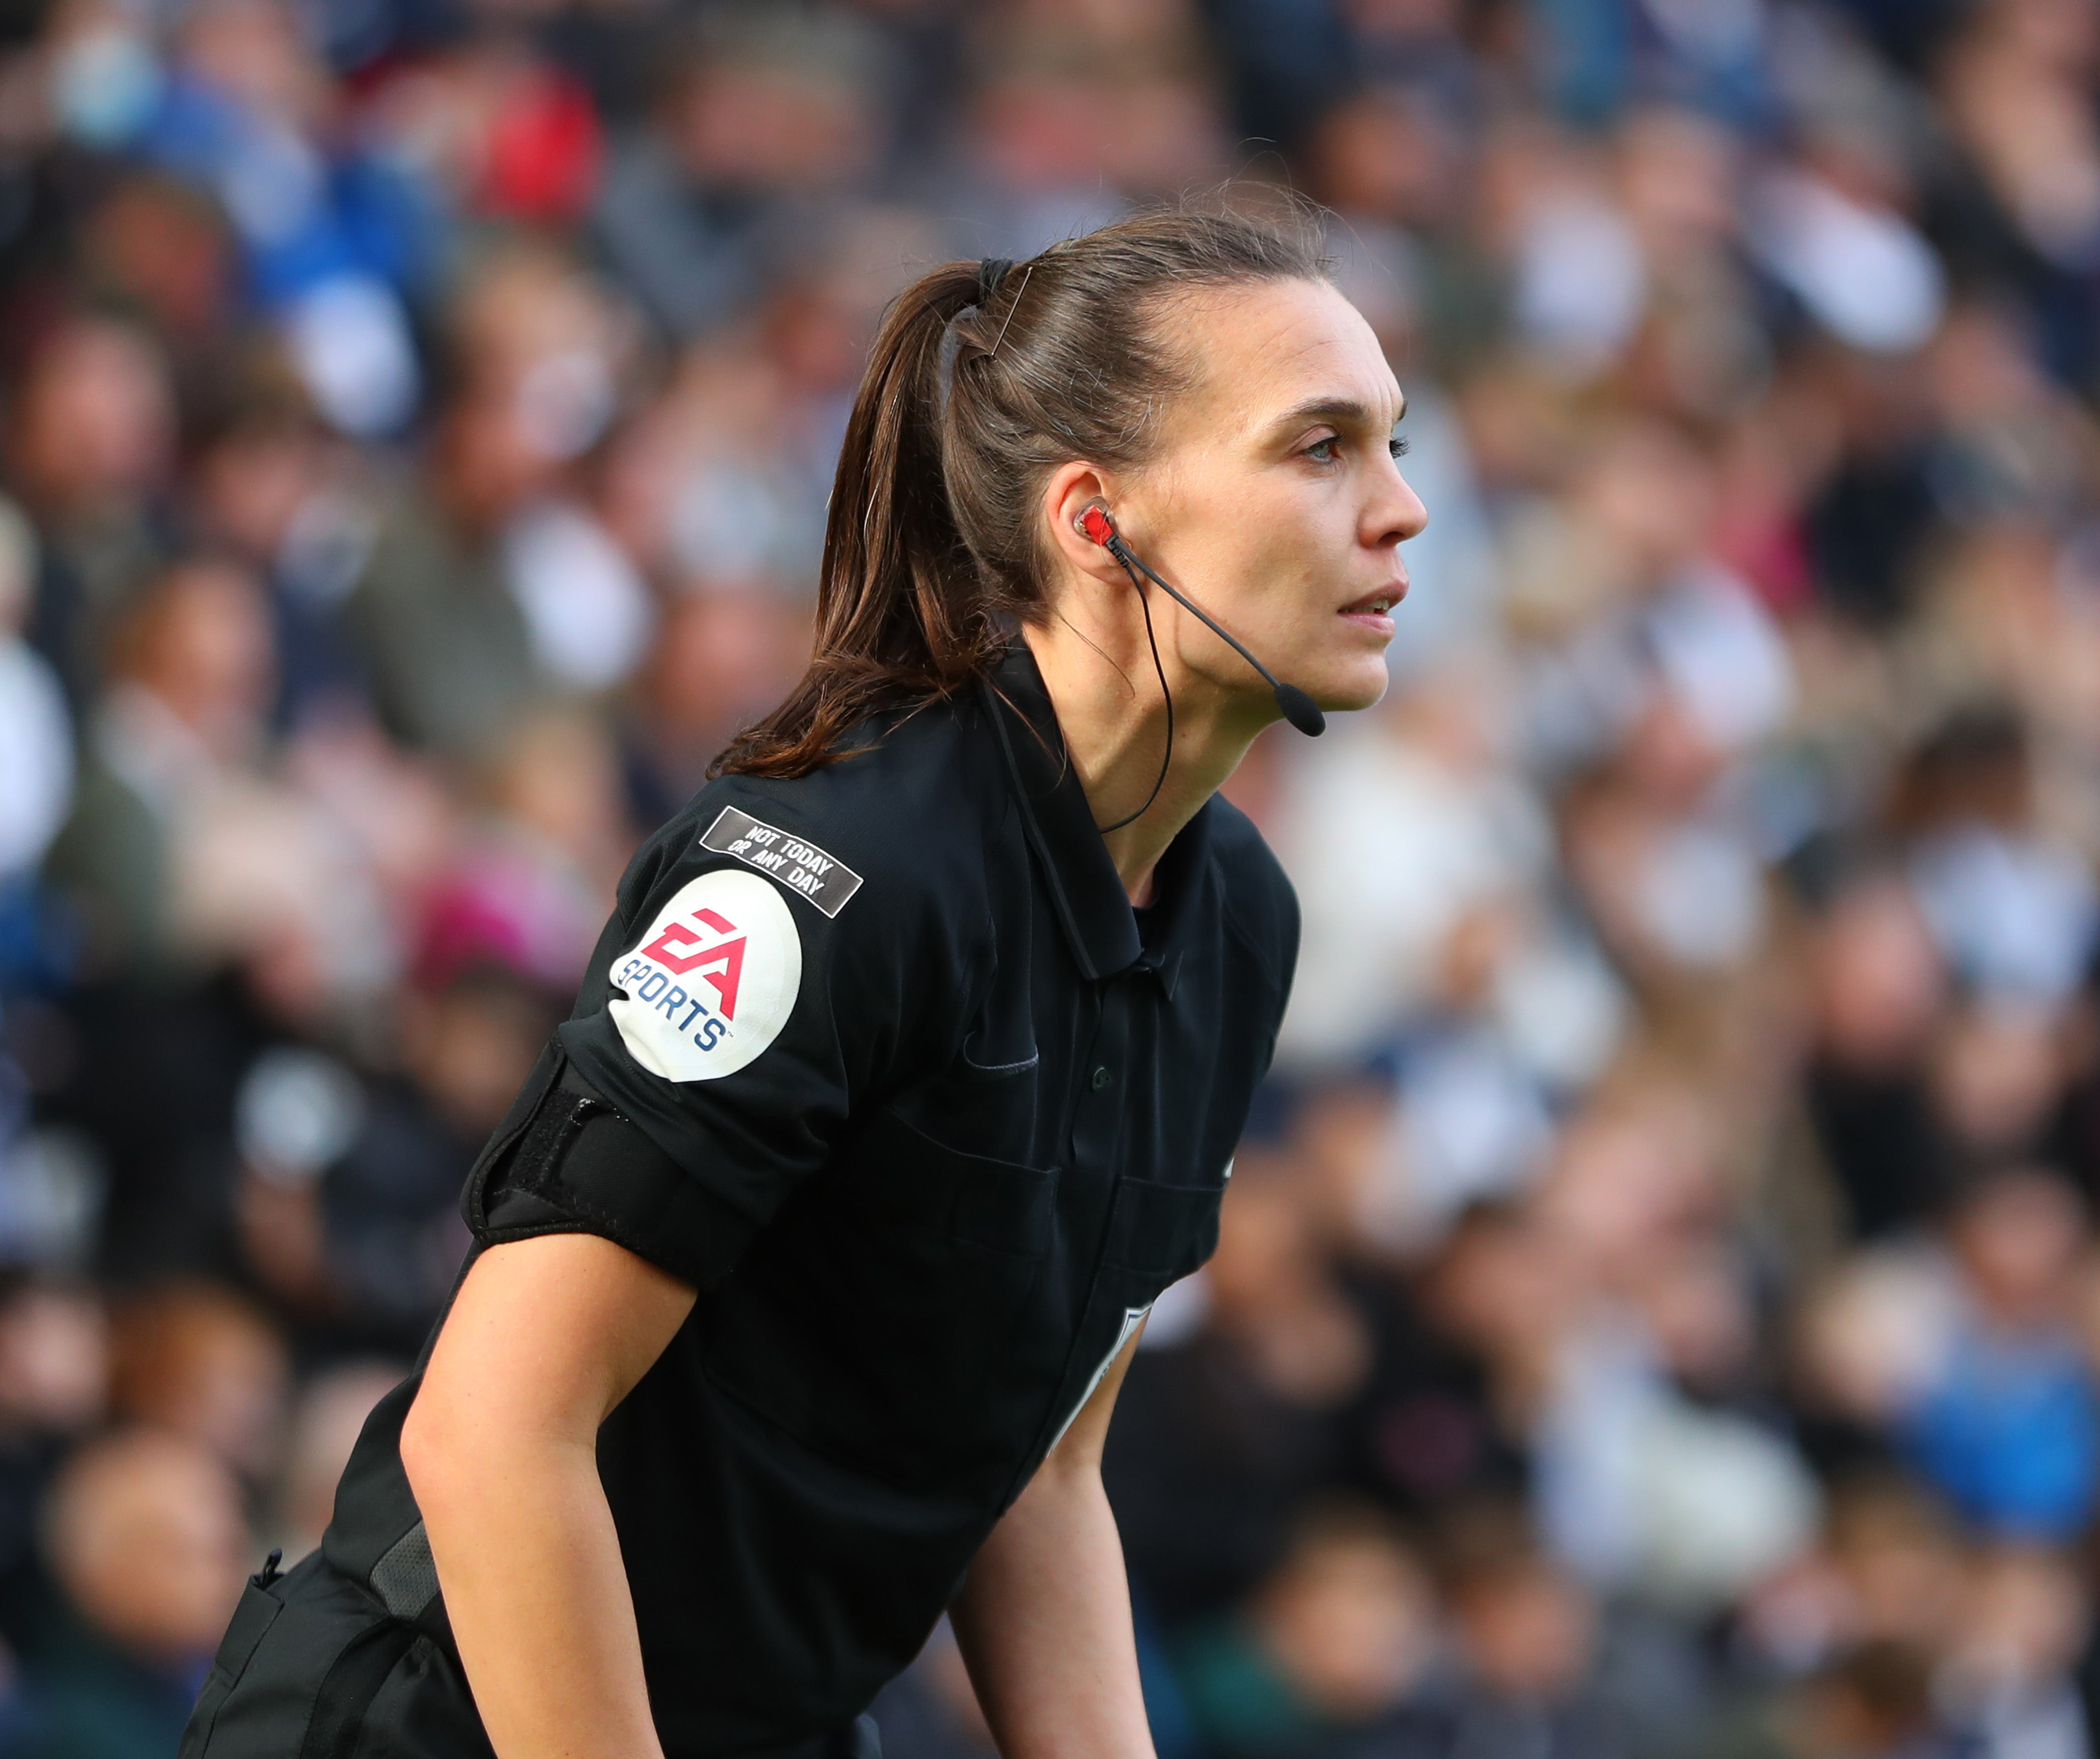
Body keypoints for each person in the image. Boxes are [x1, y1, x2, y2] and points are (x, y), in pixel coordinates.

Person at [183, 201, 1427, 1759]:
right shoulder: (829, 872)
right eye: (1321, 448)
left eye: (1390, 442)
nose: (1404, 509)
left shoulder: (1239, 922)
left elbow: (1038, 1471)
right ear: (1098, 521)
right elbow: (496, 1432)